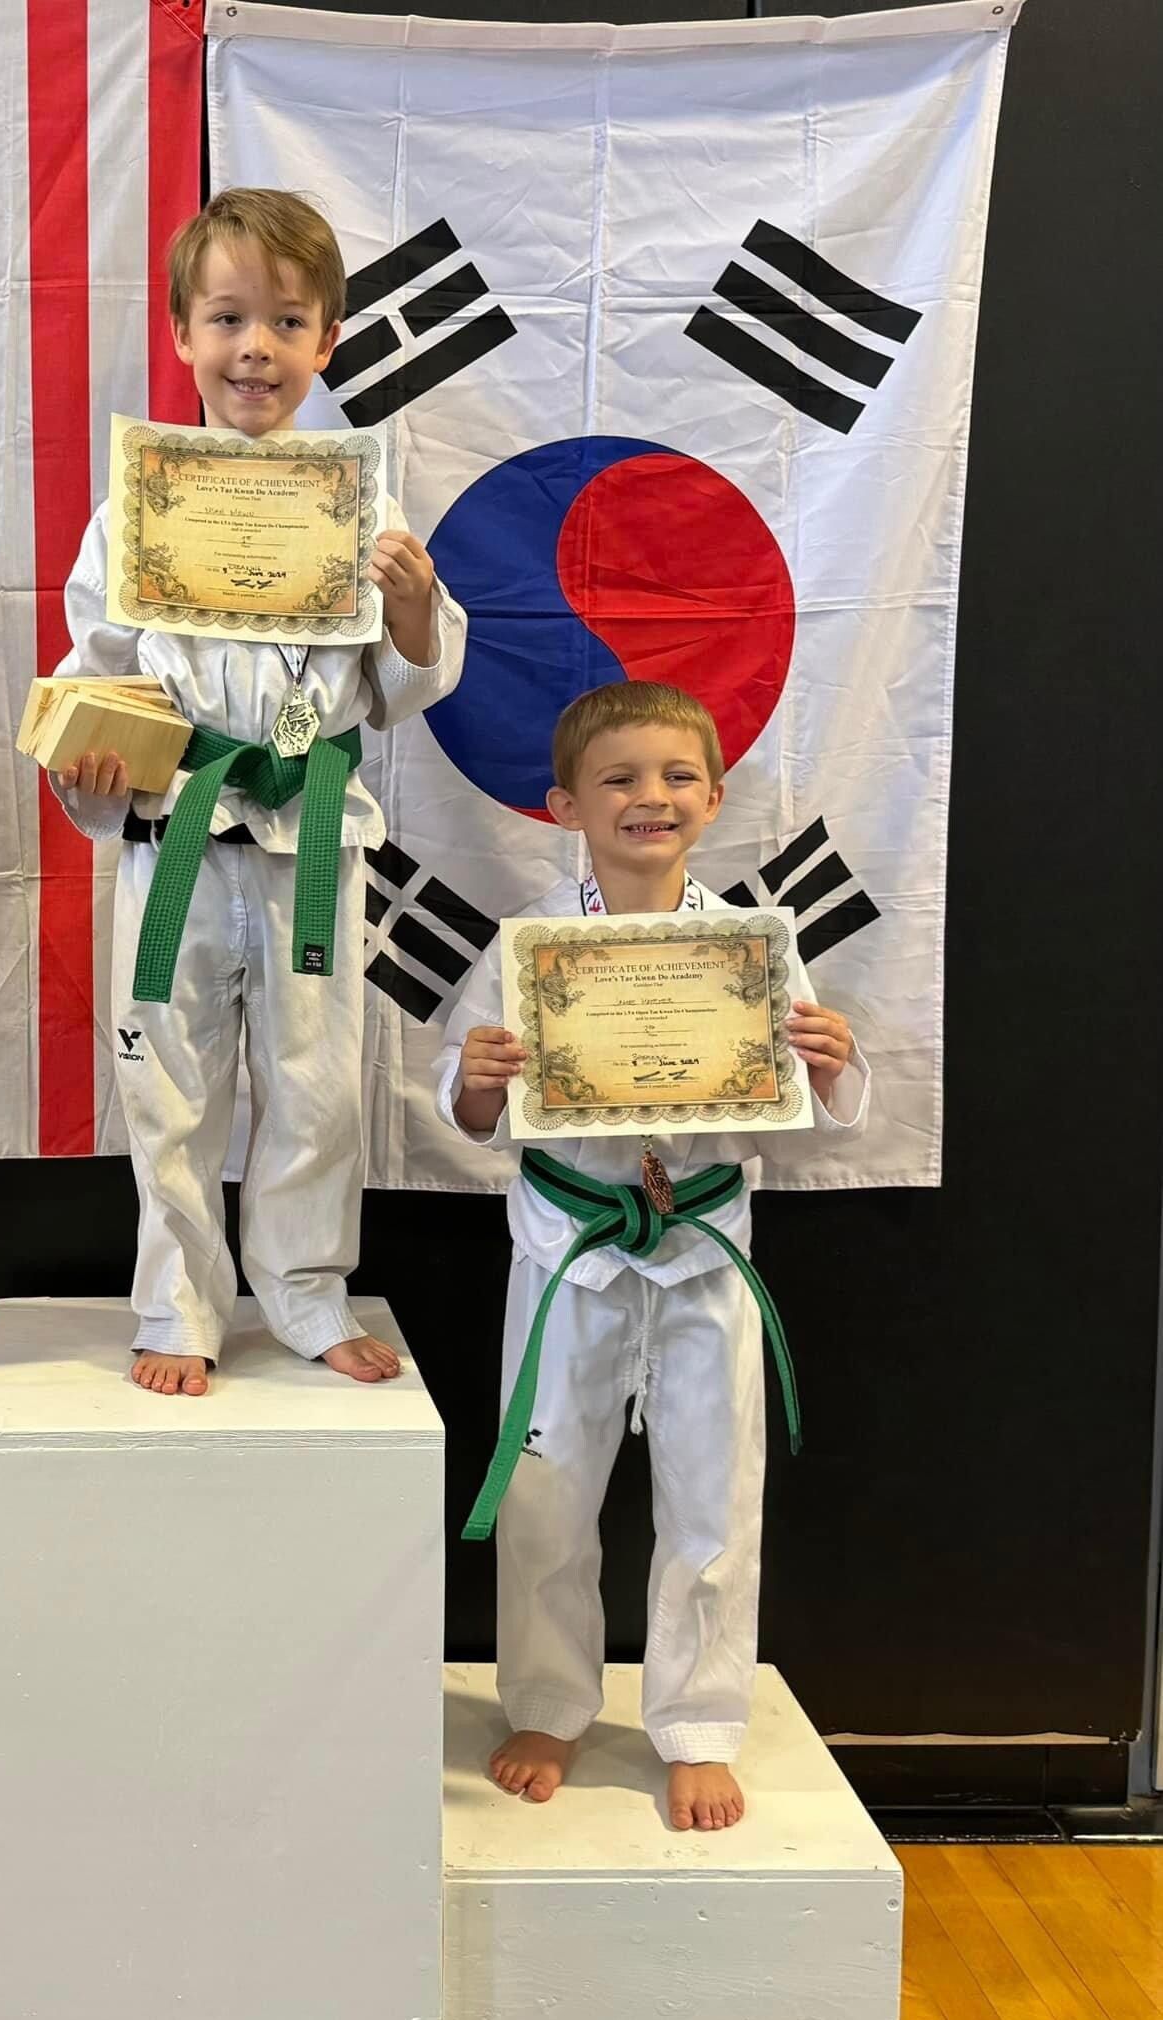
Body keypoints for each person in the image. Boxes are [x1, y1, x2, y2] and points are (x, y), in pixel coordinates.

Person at [51, 188, 466, 1397]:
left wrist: (404, 607)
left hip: (311, 831)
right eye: (227, 318)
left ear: (326, 341)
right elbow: (101, 672)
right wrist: (96, 764)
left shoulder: (362, 504)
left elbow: (400, 679)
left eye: (286, 323)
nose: (254, 348)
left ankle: (301, 1286)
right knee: (165, 1072)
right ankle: (177, 1299)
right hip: (178, 819)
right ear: (181, 334)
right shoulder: (135, 509)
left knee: (317, 1073)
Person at [436, 682, 869, 1830]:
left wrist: (826, 1061)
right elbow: (468, 1108)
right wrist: (477, 1081)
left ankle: (697, 1719)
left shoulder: (753, 947)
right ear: (563, 803)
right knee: (543, 1492)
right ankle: (544, 1699)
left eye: (676, 776)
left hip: (705, 1251)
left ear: (714, 797)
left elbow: (822, 1106)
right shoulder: (527, 947)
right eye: (619, 778)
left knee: (712, 1497)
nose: (650, 797)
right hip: (567, 1249)